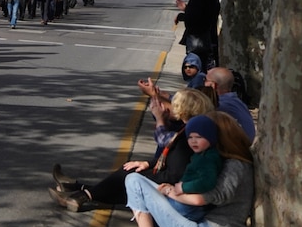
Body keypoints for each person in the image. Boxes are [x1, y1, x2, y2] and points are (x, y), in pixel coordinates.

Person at [116, 111, 254, 227]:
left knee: (135, 182)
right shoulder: (232, 162)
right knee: (138, 181)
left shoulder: (235, 167)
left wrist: (170, 191)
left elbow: (200, 199)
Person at [49, 88, 214, 211]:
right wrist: (147, 164)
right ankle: (78, 189)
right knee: (129, 170)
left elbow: (176, 171)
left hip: (174, 184)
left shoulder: (189, 135)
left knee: (129, 176)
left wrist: (150, 173)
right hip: (171, 177)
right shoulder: (190, 129)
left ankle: (81, 196)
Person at [160, 114, 224, 227]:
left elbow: (206, 182)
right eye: (190, 137)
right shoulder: (200, 155)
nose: (193, 141)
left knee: (169, 217)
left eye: (199, 137)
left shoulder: (209, 158)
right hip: (188, 200)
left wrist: (184, 188)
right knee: (175, 224)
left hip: (192, 203)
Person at [175, 0, 220, 70]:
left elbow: (194, 19)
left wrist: (183, 12)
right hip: (209, 38)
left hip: (197, 40)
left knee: (195, 67)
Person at [205, 67, 255, 142]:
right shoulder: (237, 102)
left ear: (213, 85)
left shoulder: (219, 106)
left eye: (205, 80)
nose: (203, 83)